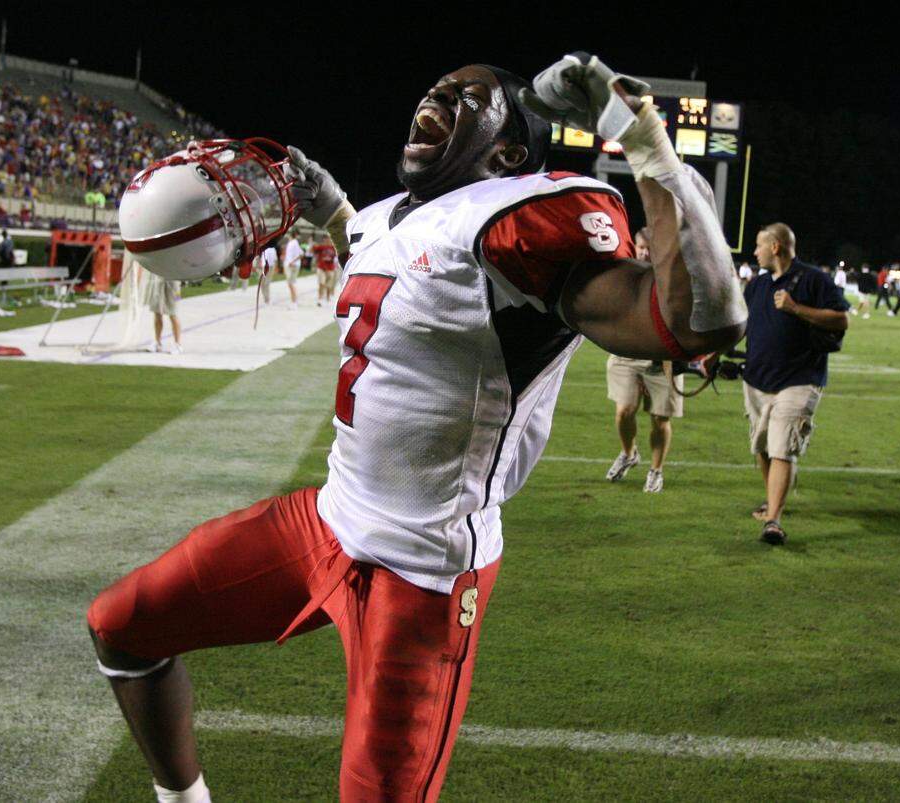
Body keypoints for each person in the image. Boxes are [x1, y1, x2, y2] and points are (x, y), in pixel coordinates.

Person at [85, 57, 745, 802]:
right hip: (328, 518)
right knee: (123, 626)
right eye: (436, 86)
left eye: (470, 97)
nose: (438, 94)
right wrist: (335, 211)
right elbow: (405, 264)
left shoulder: (521, 216)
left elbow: (697, 320)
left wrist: (642, 136)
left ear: (508, 155)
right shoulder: (389, 217)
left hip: (423, 568)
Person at [743, 223, 849, 544]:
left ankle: (773, 520)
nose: (755, 252)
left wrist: (794, 308)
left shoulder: (814, 279)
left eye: (759, 246)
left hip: (800, 378)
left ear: (775, 247)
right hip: (758, 379)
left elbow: (841, 319)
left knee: (782, 447)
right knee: (761, 446)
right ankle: (772, 499)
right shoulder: (756, 286)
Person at [604, 227, 684, 493]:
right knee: (624, 410)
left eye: (651, 248)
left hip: (662, 360)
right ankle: (629, 453)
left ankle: (656, 469)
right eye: (641, 247)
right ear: (634, 246)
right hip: (627, 354)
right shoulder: (623, 273)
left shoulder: (674, 278)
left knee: (660, 419)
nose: (645, 252)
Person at [144, 268, 183, 354]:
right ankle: (157, 343)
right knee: (157, 312)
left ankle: (178, 345)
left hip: (174, 281)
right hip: (158, 279)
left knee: (173, 313)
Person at [312, 232, 339, 306]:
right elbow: (313, 250)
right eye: (326, 238)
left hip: (330, 269)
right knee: (322, 283)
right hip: (321, 268)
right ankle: (320, 298)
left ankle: (328, 297)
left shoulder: (334, 248)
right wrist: (313, 245)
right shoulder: (321, 247)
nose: (327, 240)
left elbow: (337, 257)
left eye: (329, 238)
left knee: (329, 285)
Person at [282, 234, 303, 305]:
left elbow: (300, 254)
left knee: (290, 283)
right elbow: (301, 254)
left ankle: (294, 301)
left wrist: (292, 262)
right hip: (294, 264)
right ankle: (294, 301)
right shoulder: (295, 243)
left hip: (291, 265)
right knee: (291, 283)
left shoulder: (292, 243)